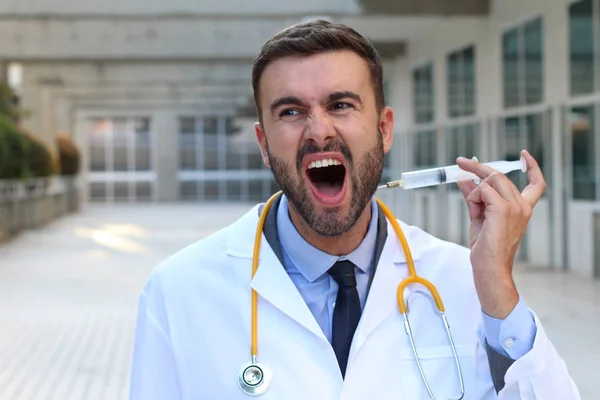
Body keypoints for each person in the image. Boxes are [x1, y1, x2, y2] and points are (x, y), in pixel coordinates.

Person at [129, 20, 580, 399]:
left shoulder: (463, 280)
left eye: (340, 105)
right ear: (264, 145)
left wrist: (499, 291)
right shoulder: (179, 292)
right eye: (290, 112)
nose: (319, 130)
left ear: (384, 130)